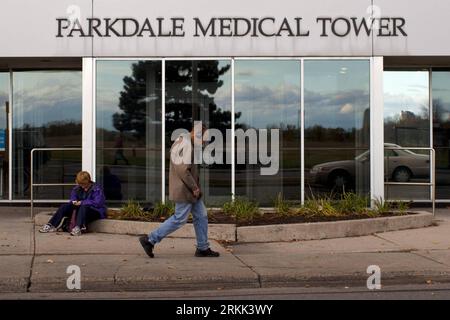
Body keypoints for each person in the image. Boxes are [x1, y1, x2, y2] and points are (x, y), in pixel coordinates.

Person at [139, 124, 220, 258]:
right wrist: (194, 188)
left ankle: (202, 248)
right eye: (203, 139)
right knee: (179, 219)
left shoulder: (183, 140)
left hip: (188, 189)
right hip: (185, 189)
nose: (204, 142)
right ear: (197, 134)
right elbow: (183, 169)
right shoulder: (187, 144)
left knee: (201, 216)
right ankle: (150, 239)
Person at [39, 171, 107, 236]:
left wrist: (82, 202)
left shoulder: (96, 189)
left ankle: (78, 228)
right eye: (80, 184)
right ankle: (51, 225)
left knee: (83, 206)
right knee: (64, 207)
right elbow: (73, 198)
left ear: (88, 181)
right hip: (80, 209)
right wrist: (74, 201)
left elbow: (98, 203)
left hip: (94, 211)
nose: (82, 186)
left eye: (83, 184)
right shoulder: (77, 188)